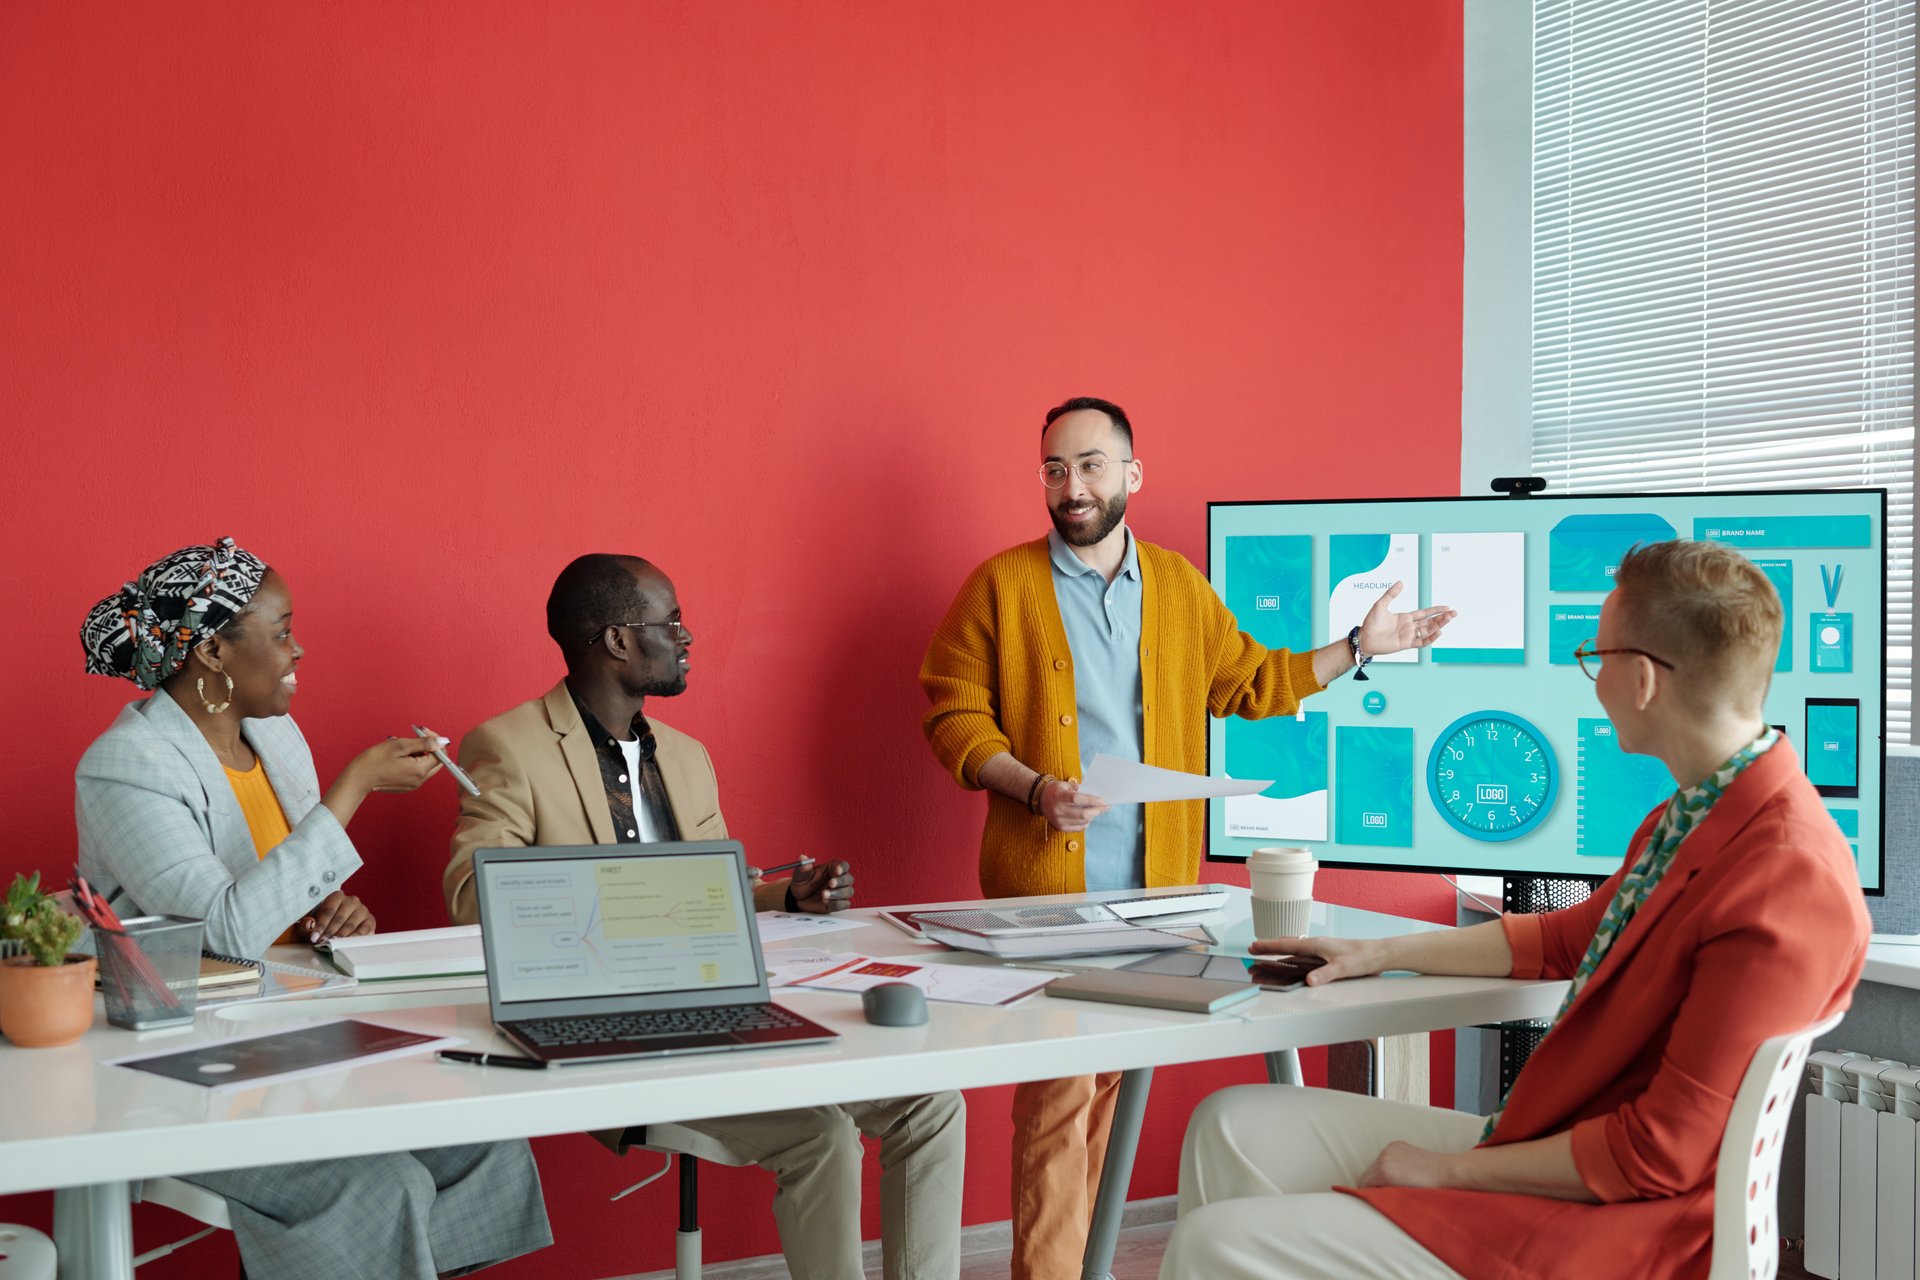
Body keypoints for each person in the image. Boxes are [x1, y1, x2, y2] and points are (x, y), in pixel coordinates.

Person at [1159, 539, 1872, 1280]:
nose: (1592, 682)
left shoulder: (1786, 880)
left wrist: (1442, 1172)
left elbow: (1660, 1153)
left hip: (1622, 1233)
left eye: (1595, 659)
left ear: (1641, 679)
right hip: (1572, 1164)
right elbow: (1564, 940)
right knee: (1230, 1123)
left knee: (1216, 1244)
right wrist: (1379, 953)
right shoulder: (1695, 817)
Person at [919, 396, 1456, 1279]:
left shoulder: (1175, 586)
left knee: (1109, 1099)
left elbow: (1251, 681)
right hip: (1049, 900)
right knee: (1059, 1100)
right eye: (1055, 468)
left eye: (1090, 465)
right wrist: (1034, 788)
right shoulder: (1000, 585)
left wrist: (1363, 644)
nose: (1071, 485)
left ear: (1132, 474)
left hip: (1158, 901)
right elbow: (954, 716)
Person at [445, 552, 965, 1280]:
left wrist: (785, 897)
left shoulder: (687, 758)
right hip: (607, 1031)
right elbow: (474, 899)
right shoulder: (510, 746)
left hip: (722, 1007)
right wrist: (626, 902)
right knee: (822, 1134)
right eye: (674, 623)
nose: (688, 637)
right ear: (620, 639)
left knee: (933, 1102)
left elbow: (712, 898)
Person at [75, 538, 552, 1280]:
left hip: (300, 1038)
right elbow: (227, 928)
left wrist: (332, 909)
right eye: (280, 631)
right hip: (183, 1068)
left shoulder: (272, 734)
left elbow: (292, 883)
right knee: (380, 1183)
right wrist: (354, 785)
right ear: (213, 654)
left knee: (483, 1135)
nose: (299, 649)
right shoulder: (126, 765)